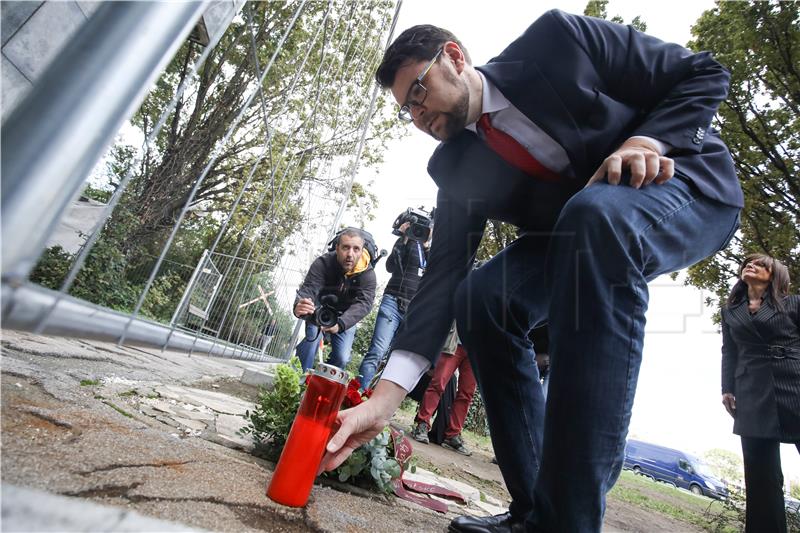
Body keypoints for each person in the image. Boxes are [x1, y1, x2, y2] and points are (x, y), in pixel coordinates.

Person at [322, 11, 744, 532]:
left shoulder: (559, 41)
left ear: (454, 56)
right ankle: (531, 512)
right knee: (481, 298)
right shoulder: (455, 165)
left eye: (418, 92)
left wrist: (647, 142)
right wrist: (383, 403)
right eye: (405, 109)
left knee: (595, 216)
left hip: (687, 184)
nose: (417, 115)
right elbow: (444, 276)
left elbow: (704, 72)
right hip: (577, 232)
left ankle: (567, 521)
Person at [721, 253, 800, 533]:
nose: (749, 265)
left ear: (775, 274)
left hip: (795, 384)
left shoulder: (794, 304)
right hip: (751, 391)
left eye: (759, 264)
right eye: (746, 263)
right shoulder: (731, 311)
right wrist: (727, 388)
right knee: (761, 478)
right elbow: (729, 351)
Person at [358, 220, 430, 389]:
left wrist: (427, 246)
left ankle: (375, 400)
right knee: (377, 351)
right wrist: (403, 238)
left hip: (414, 310)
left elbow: (435, 274)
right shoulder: (407, 241)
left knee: (395, 360)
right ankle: (358, 394)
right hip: (393, 301)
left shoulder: (432, 249)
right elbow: (390, 266)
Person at [294, 228, 377, 371]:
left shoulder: (368, 274)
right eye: (346, 247)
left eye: (356, 249)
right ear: (337, 248)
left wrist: (341, 323)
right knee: (311, 341)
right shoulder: (322, 263)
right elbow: (309, 289)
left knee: (342, 357)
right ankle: (298, 380)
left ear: (362, 251)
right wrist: (299, 306)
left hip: (346, 316)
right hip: (320, 309)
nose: (350, 254)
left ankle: (323, 384)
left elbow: (365, 303)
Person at [410, 323, 477, 456]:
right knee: (437, 384)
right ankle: (422, 424)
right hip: (456, 341)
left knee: (467, 394)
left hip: (477, 350)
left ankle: (452, 435)